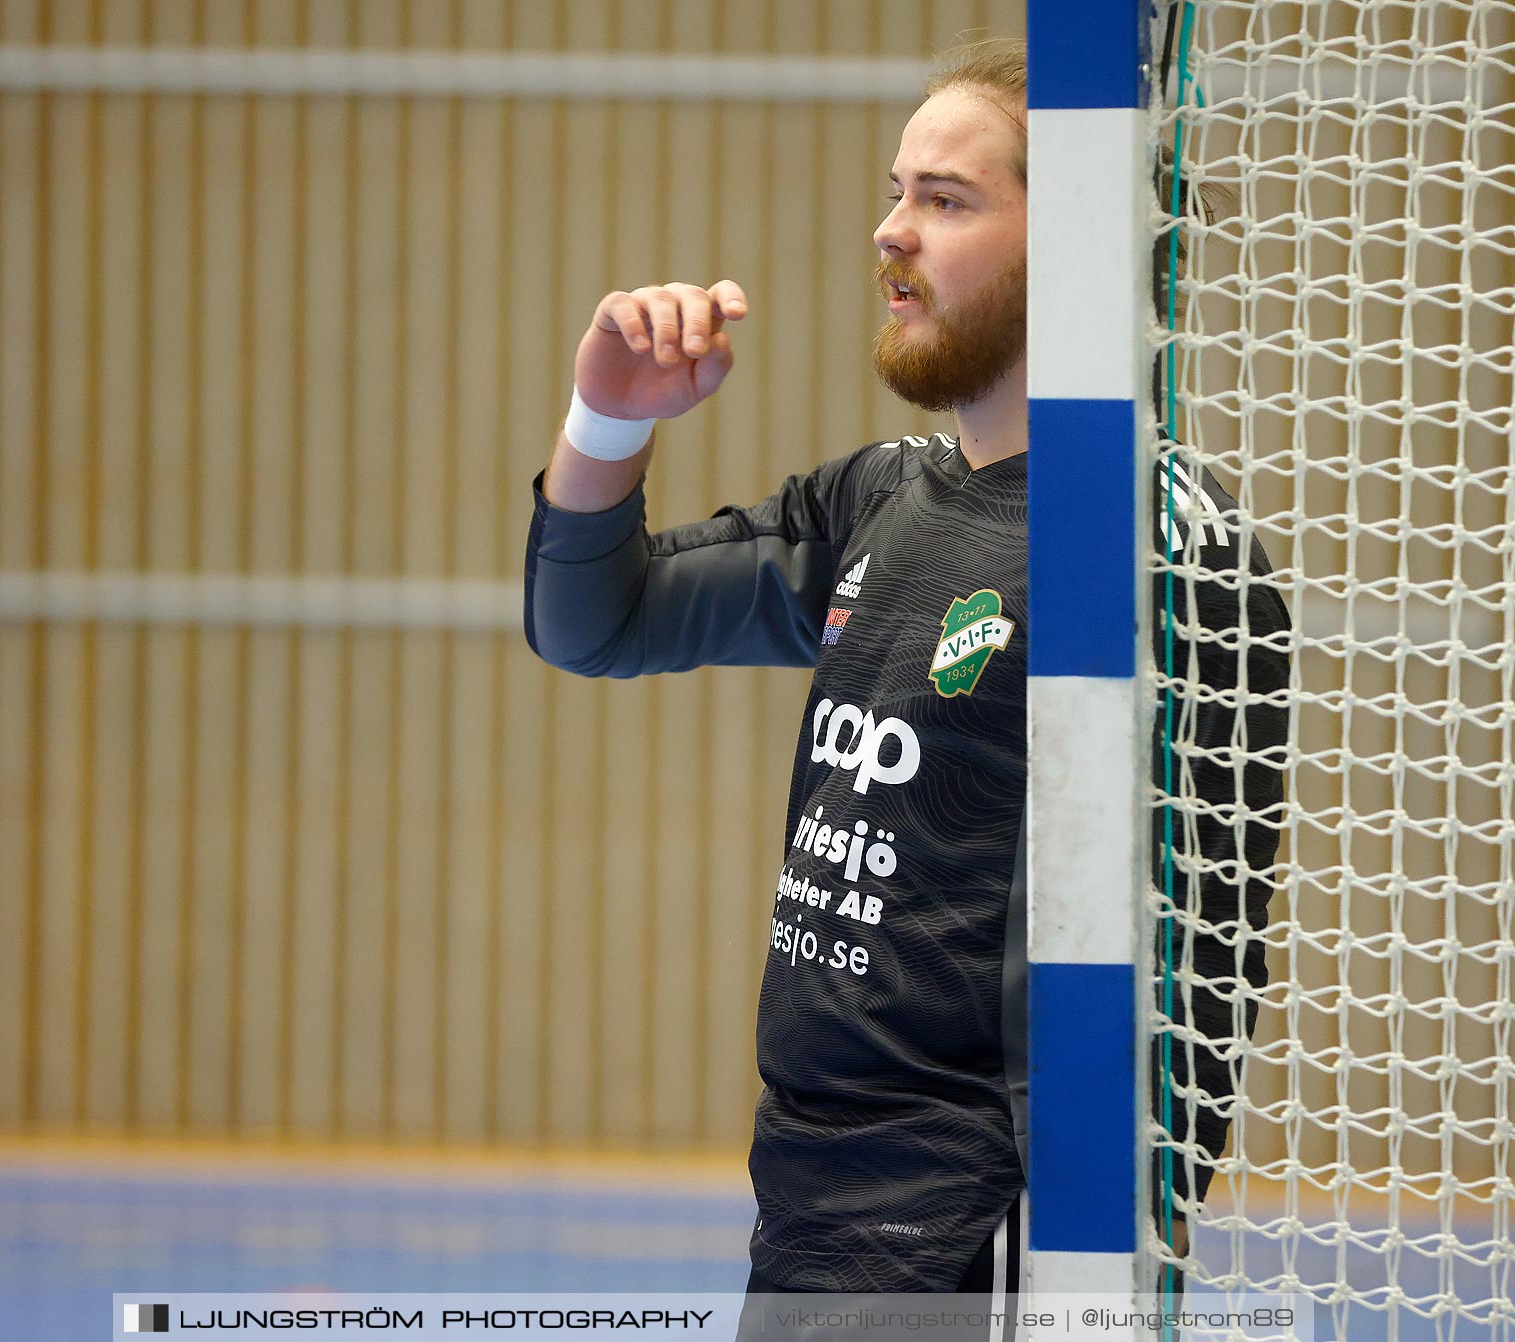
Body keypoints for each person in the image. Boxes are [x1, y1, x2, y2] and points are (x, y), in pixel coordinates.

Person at [523, 36, 1291, 1314]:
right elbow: (595, 620)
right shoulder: (880, 499)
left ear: (1091, 231)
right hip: (810, 1195)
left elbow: (1203, 972)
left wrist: (1081, 1271)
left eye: (946, 200)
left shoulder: (1157, 551)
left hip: (980, 1243)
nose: (892, 231)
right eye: (897, 190)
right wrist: (610, 419)